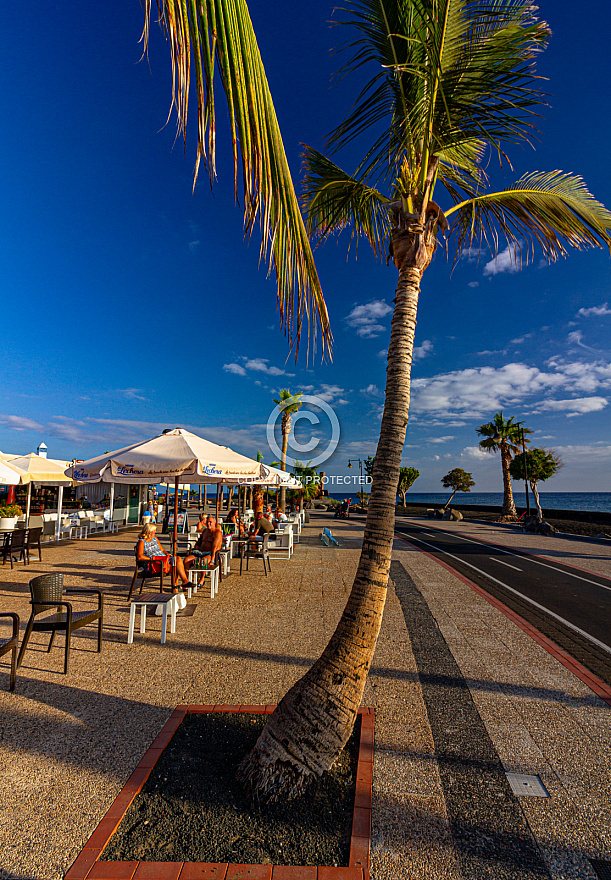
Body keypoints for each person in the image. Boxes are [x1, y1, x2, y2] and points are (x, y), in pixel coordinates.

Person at [135, 522, 189, 588]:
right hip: (153, 563)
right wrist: (153, 559)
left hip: (162, 559)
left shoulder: (155, 538)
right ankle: (176, 588)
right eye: (154, 530)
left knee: (177, 558)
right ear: (149, 531)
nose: (155, 532)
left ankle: (185, 581)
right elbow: (140, 556)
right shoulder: (142, 542)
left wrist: (167, 554)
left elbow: (162, 550)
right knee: (174, 567)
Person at [184, 514, 223, 585]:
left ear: (214, 522)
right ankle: (186, 581)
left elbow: (214, 547)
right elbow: (199, 540)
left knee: (204, 561)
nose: (208, 523)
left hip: (210, 554)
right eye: (207, 522)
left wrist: (213, 560)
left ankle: (202, 580)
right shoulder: (205, 531)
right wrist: (196, 545)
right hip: (200, 552)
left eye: (210, 522)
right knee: (186, 560)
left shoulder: (217, 533)